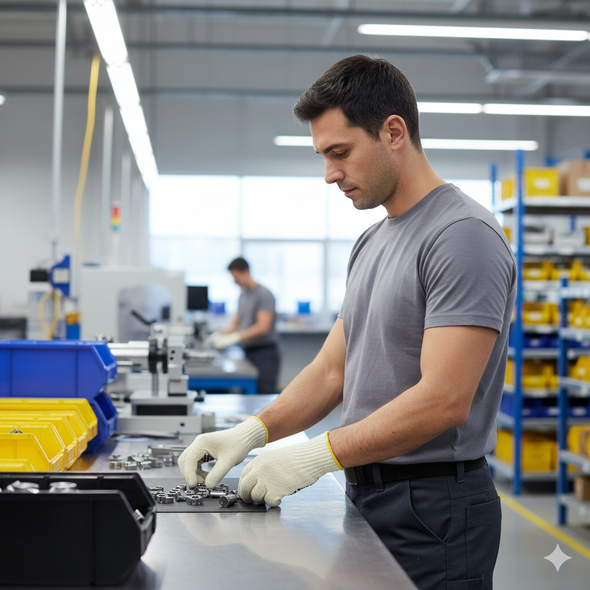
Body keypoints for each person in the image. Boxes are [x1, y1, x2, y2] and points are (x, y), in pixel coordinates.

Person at [179, 55, 516, 590]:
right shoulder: (373, 240)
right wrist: (254, 430)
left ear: (394, 131)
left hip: (434, 507)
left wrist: (317, 454)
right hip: (370, 490)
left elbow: (444, 399)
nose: (330, 174)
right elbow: (333, 369)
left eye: (340, 153)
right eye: (323, 156)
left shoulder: (462, 235)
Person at [209, 257, 280, 394]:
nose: (235, 282)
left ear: (246, 271)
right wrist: (221, 335)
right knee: (248, 396)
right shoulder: (243, 294)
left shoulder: (263, 294)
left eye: (236, 277)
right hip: (248, 351)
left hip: (265, 353)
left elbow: (263, 327)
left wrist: (236, 336)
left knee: (263, 393)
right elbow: (237, 322)